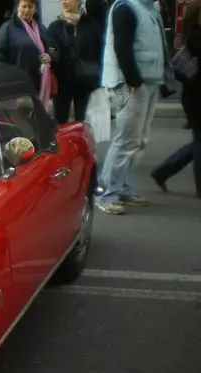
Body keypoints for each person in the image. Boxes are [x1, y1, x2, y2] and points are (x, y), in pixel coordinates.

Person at [95, 0, 173, 214]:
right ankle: (107, 193)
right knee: (126, 141)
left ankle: (124, 190)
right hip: (132, 85)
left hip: (147, 83)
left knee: (137, 142)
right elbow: (122, 48)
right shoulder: (125, 7)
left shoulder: (149, 7)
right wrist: (135, 82)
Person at [151, 0, 201, 197]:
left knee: (198, 143)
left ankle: (163, 171)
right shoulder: (196, 36)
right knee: (199, 143)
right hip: (196, 98)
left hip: (194, 95)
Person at [0, 0, 57, 108]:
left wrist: (50, 56)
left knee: (37, 114)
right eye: (24, 6)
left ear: (35, 9)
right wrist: (8, 75)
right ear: (18, 8)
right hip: (17, 81)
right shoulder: (8, 28)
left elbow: (53, 48)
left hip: (39, 82)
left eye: (30, 7)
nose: (27, 10)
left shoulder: (41, 28)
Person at [47, 0, 102, 123]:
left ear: (79, 2)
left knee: (83, 121)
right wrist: (51, 55)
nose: (64, 2)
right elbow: (51, 48)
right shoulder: (55, 26)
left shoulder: (92, 25)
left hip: (86, 80)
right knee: (60, 120)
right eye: (62, 0)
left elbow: (100, 52)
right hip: (62, 80)